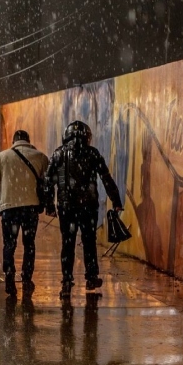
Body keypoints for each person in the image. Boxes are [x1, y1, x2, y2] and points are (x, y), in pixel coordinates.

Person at [45, 120, 123, 296]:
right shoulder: (93, 154)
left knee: (67, 243)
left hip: (66, 207)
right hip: (88, 206)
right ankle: (91, 278)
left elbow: (48, 182)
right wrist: (116, 201)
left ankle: (66, 281)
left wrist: (49, 205)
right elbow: (106, 178)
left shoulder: (58, 154)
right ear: (87, 137)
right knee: (89, 242)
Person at [0, 130, 51, 296]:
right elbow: (48, 184)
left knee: (9, 244)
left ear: (13, 141)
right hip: (31, 208)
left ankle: (9, 277)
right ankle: (27, 278)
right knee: (29, 244)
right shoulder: (41, 157)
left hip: (9, 208)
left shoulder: (1, 157)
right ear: (28, 141)